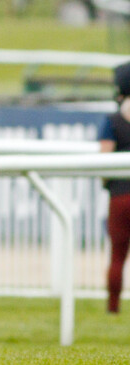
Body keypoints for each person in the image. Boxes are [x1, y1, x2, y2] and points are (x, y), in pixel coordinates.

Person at [98, 61, 130, 313]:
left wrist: (107, 184)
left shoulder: (112, 120)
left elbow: (104, 160)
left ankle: (113, 307)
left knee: (118, 255)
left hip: (120, 196)